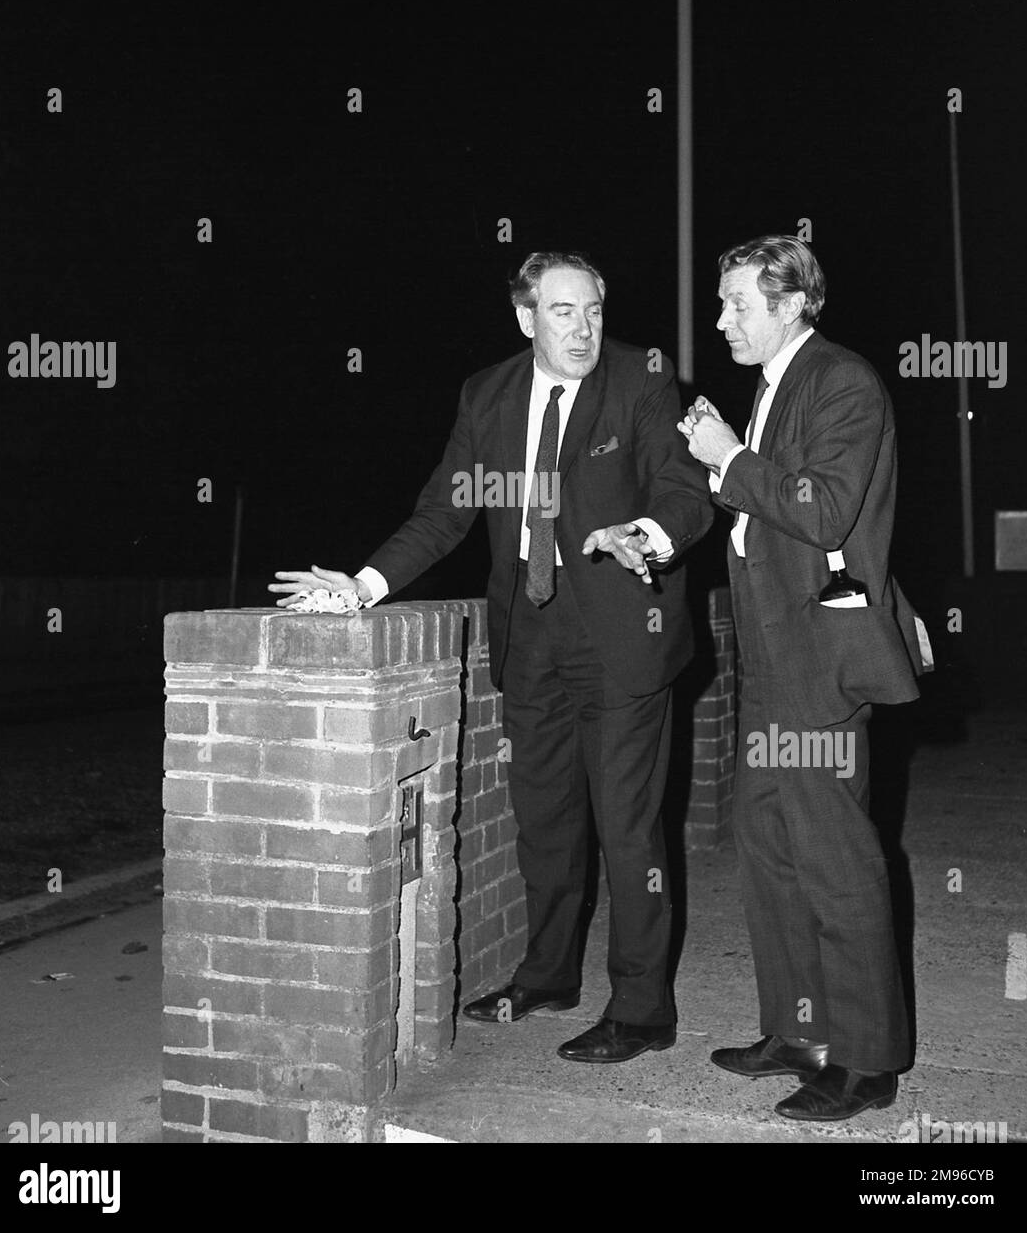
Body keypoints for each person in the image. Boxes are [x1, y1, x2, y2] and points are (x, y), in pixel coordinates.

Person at [271, 250, 712, 1064]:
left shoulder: (641, 381)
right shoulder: (489, 394)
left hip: (623, 642)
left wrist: (645, 536)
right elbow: (445, 509)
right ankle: (547, 975)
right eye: (561, 313)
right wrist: (363, 587)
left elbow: (683, 489)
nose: (581, 329)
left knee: (627, 828)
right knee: (544, 824)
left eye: (592, 311)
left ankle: (644, 1009)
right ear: (525, 318)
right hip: (530, 640)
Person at [679, 234, 924, 1121]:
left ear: (790, 303)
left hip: (815, 665)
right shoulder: (779, 382)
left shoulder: (841, 380)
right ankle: (799, 1030)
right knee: (770, 849)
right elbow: (772, 517)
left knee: (833, 858)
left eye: (737, 302)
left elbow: (821, 507)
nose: (721, 318)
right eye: (721, 302)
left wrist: (726, 456)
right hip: (771, 660)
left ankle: (865, 1058)